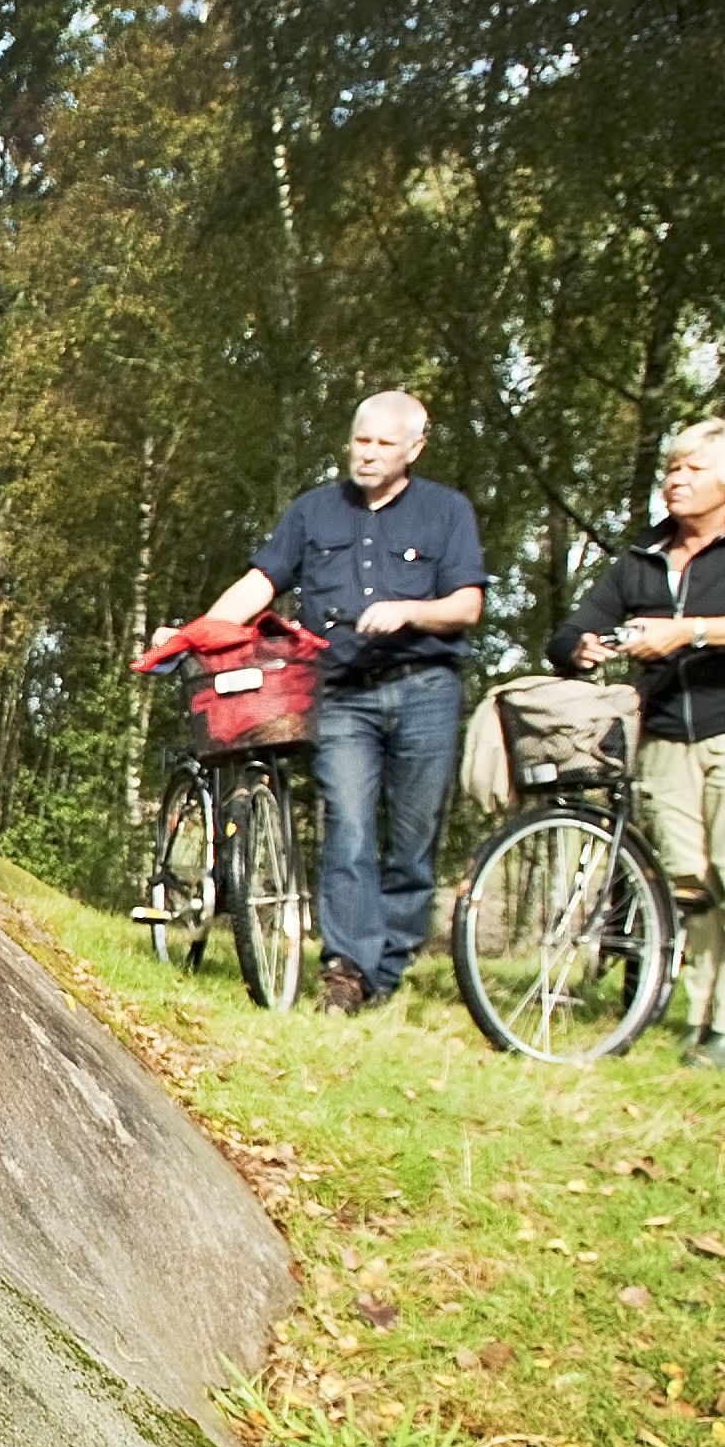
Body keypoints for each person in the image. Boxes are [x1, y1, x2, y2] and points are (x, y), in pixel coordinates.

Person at [195, 391, 488, 1014]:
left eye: (384, 443)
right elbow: (260, 585)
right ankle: (346, 970)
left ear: (415, 447)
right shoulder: (313, 512)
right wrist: (196, 634)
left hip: (426, 689)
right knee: (348, 830)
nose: (369, 453)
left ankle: (389, 962)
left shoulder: (446, 511)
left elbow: (467, 606)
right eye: (361, 440)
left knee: (412, 840)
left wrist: (410, 610)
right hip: (342, 697)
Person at [549, 418, 725, 1071]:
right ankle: (699, 1018)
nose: (677, 479)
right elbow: (568, 634)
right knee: (688, 888)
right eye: (673, 467)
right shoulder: (642, 558)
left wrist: (691, 631)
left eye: (694, 469)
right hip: (668, 741)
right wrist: (582, 647)